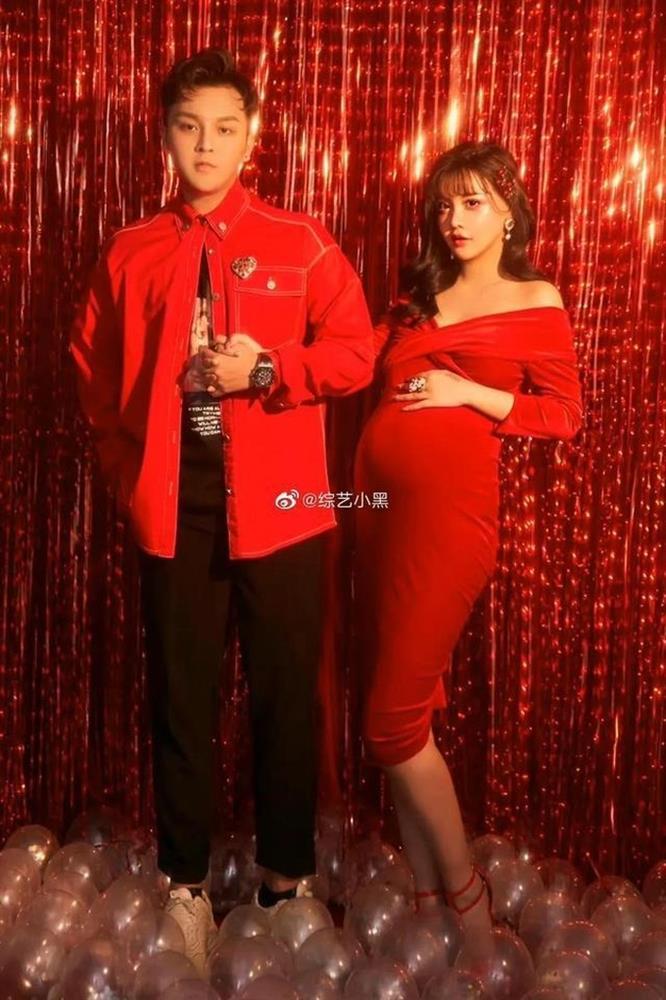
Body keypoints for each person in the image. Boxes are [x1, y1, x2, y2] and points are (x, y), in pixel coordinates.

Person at [70, 48, 374, 971]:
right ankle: (186, 888)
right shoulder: (130, 251)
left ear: (253, 137)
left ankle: (287, 882)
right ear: (165, 136)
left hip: (282, 507)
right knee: (182, 700)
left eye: (225, 128)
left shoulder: (300, 239)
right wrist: (129, 480)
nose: (206, 145)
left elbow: (356, 352)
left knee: (286, 699)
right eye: (189, 127)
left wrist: (272, 368)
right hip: (178, 511)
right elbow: (93, 376)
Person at [353, 141, 583, 946]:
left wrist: (467, 391)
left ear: (509, 211)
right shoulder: (418, 293)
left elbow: (564, 414)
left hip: (449, 523)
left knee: (389, 726)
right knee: (406, 718)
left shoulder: (534, 297)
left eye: (474, 202)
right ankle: (425, 905)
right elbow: (352, 365)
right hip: (377, 513)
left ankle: (468, 904)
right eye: (445, 205)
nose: (455, 219)